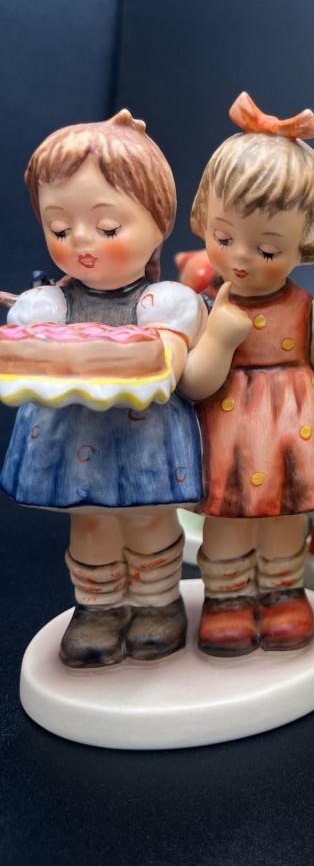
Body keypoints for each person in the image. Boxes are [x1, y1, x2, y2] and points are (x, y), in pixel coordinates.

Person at [1, 110, 205, 667]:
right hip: (73, 435)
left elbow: (170, 363)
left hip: (145, 436)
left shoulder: (161, 302)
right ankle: (97, 607)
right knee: (89, 519)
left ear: (158, 224)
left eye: (109, 227)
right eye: (59, 229)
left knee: (148, 518)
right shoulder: (52, 304)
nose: (82, 242)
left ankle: (157, 602)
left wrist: (155, 352)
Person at [179, 93, 314, 657]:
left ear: (304, 243)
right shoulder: (204, 308)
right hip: (227, 435)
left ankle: (284, 593)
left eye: (267, 249)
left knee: (287, 520)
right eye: (223, 238)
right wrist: (219, 338)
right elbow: (192, 383)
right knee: (226, 523)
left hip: (294, 432)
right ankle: (225, 599)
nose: (240, 258)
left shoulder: (306, 310)